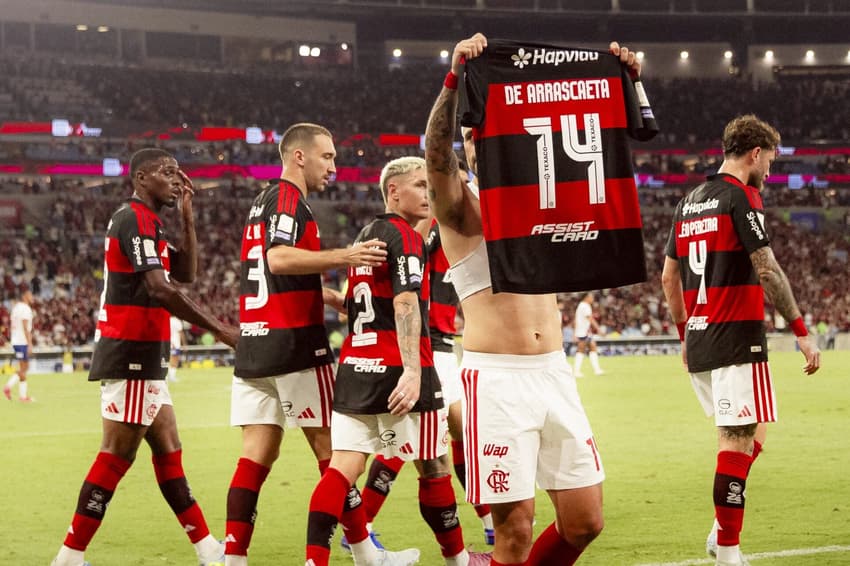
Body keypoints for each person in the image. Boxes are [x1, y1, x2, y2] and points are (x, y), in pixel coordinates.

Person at [424, 33, 641, 565]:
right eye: (476, 137)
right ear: (470, 145)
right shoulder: (461, 206)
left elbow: (590, 139)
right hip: (496, 377)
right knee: (515, 530)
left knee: (585, 522)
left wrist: (621, 82)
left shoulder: (543, 196)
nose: (485, 143)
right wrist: (454, 82)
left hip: (554, 371)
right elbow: (434, 151)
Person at [51, 148, 239, 566]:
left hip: (147, 357)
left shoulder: (150, 224)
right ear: (140, 178)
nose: (176, 179)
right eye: (167, 172)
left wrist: (188, 216)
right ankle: (69, 556)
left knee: (169, 448)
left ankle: (208, 549)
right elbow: (160, 288)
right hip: (131, 352)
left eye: (178, 174)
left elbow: (185, 273)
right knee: (116, 456)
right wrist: (220, 329)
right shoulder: (132, 218)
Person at [225, 122, 399, 566]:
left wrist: (328, 296)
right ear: (299, 156)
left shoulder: (261, 202)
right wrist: (347, 256)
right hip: (295, 347)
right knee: (334, 455)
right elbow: (279, 259)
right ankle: (364, 555)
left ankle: (232, 559)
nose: (334, 167)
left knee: (254, 458)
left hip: (255, 346)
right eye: (328, 157)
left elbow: (269, 271)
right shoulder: (288, 199)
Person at [305, 156, 488, 566]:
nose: (429, 192)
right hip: (400, 367)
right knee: (435, 464)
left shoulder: (367, 233)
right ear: (394, 191)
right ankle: (459, 559)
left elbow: (363, 302)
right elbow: (405, 300)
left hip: (355, 366)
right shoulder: (405, 236)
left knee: (340, 472)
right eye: (420, 186)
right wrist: (410, 371)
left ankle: (314, 561)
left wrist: (334, 299)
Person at [661, 114, 821, 566]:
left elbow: (669, 278)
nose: (770, 169)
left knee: (753, 432)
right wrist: (802, 333)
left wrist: (683, 333)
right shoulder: (742, 197)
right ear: (754, 153)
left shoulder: (688, 201)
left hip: (703, 338)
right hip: (736, 338)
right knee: (734, 443)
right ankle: (728, 550)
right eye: (769, 159)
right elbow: (767, 268)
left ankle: (719, 527)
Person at [353, 213, 494, 551]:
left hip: (442, 343)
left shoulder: (457, 228)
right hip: (428, 346)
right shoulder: (427, 228)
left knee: (430, 438)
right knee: (438, 438)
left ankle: (488, 522)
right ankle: (487, 524)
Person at [4, 287, 35, 402]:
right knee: (24, 368)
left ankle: (22, 396)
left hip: (16, 341)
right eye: (30, 295)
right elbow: (26, 327)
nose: (32, 297)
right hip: (22, 342)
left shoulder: (16, 308)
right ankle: (8, 387)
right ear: (24, 296)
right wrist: (30, 343)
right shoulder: (25, 309)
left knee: (24, 368)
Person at [573, 293, 604, 377]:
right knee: (581, 350)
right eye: (591, 297)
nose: (593, 299)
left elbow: (576, 320)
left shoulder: (581, 305)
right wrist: (598, 329)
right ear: (586, 297)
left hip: (584, 331)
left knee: (593, 347)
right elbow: (590, 319)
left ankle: (597, 369)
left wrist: (575, 332)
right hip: (583, 332)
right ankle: (576, 371)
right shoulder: (585, 306)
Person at [168, 315, 184, 383]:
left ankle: (171, 376)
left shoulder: (168, 320)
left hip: (168, 342)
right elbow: (181, 333)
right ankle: (172, 377)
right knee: (174, 360)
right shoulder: (177, 321)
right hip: (175, 343)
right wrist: (184, 343)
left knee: (171, 360)